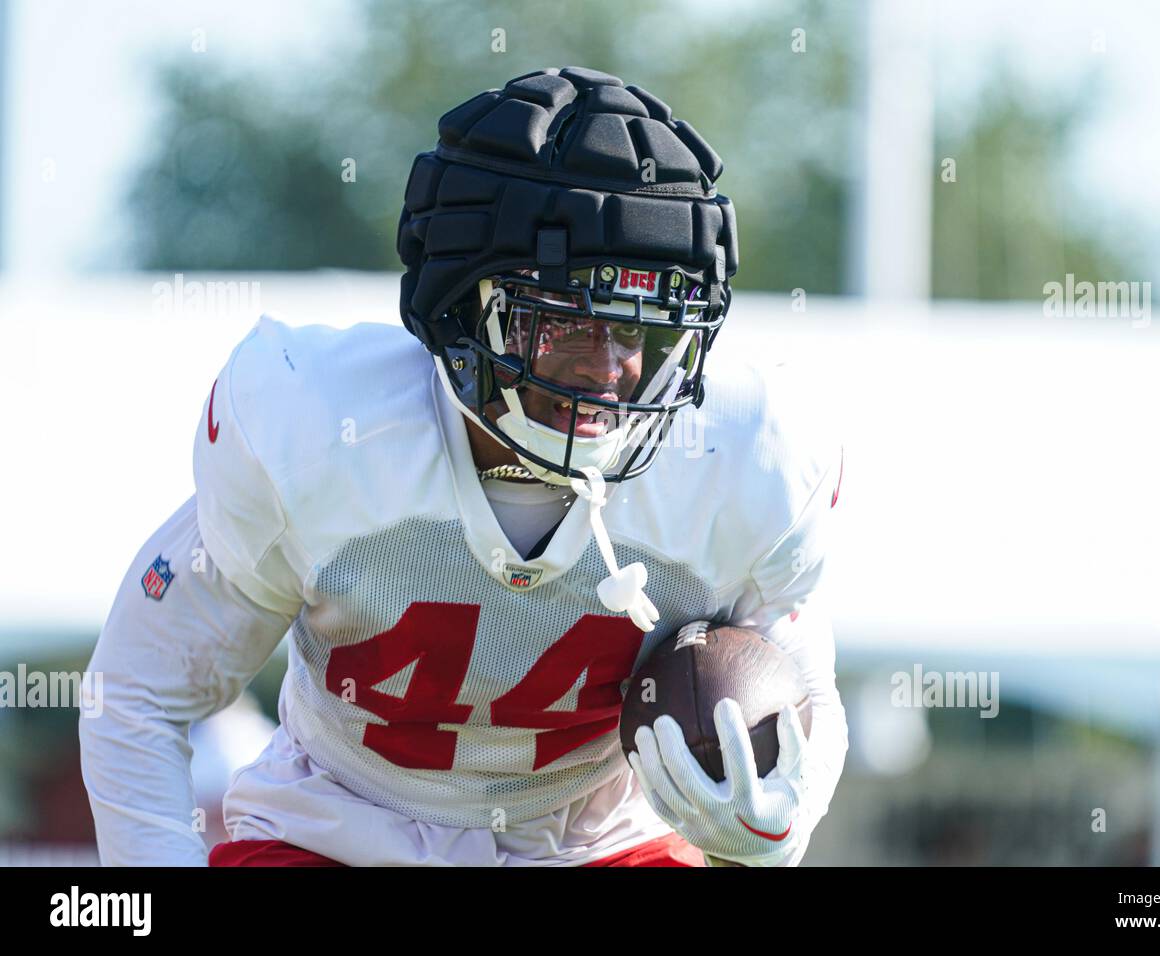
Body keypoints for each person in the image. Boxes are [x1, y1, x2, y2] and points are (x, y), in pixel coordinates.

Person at [80, 65, 847, 867]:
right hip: (341, 829)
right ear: (459, 308)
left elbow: (807, 689)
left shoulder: (742, 456)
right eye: (565, 326)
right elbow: (136, 694)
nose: (612, 370)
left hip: (598, 843)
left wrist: (773, 832)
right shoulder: (318, 431)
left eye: (646, 334)